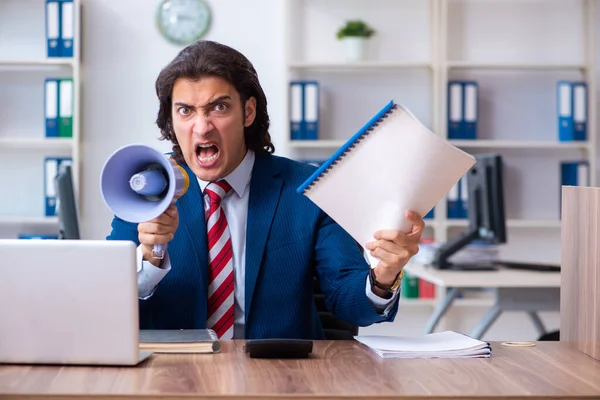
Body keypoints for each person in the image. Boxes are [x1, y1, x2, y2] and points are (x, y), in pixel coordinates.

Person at [106, 40, 425, 340]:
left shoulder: (307, 190)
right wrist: (149, 258)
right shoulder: (142, 193)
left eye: (218, 107)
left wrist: (384, 275)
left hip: (279, 377)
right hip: (175, 377)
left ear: (248, 112)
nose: (201, 127)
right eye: (186, 111)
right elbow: (107, 304)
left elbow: (348, 302)